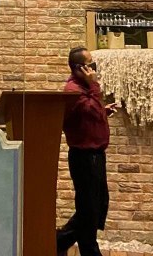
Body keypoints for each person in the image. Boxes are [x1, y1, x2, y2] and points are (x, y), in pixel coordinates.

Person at [56, 47, 116, 256]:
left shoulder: (85, 88)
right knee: (89, 210)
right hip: (84, 157)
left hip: (95, 155)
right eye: (90, 64)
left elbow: (91, 113)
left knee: (95, 206)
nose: (93, 68)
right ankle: (80, 248)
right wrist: (94, 85)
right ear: (78, 68)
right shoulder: (73, 90)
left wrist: (104, 109)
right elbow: (89, 110)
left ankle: (59, 242)